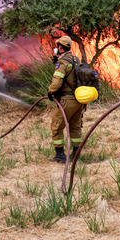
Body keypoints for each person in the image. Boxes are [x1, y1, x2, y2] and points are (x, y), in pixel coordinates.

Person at [47, 35, 86, 163]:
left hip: (67, 100)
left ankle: (60, 155)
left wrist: (50, 91)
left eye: (58, 46)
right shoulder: (75, 59)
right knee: (75, 126)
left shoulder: (62, 62)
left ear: (60, 47)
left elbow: (57, 82)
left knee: (56, 126)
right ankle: (76, 154)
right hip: (79, 99)